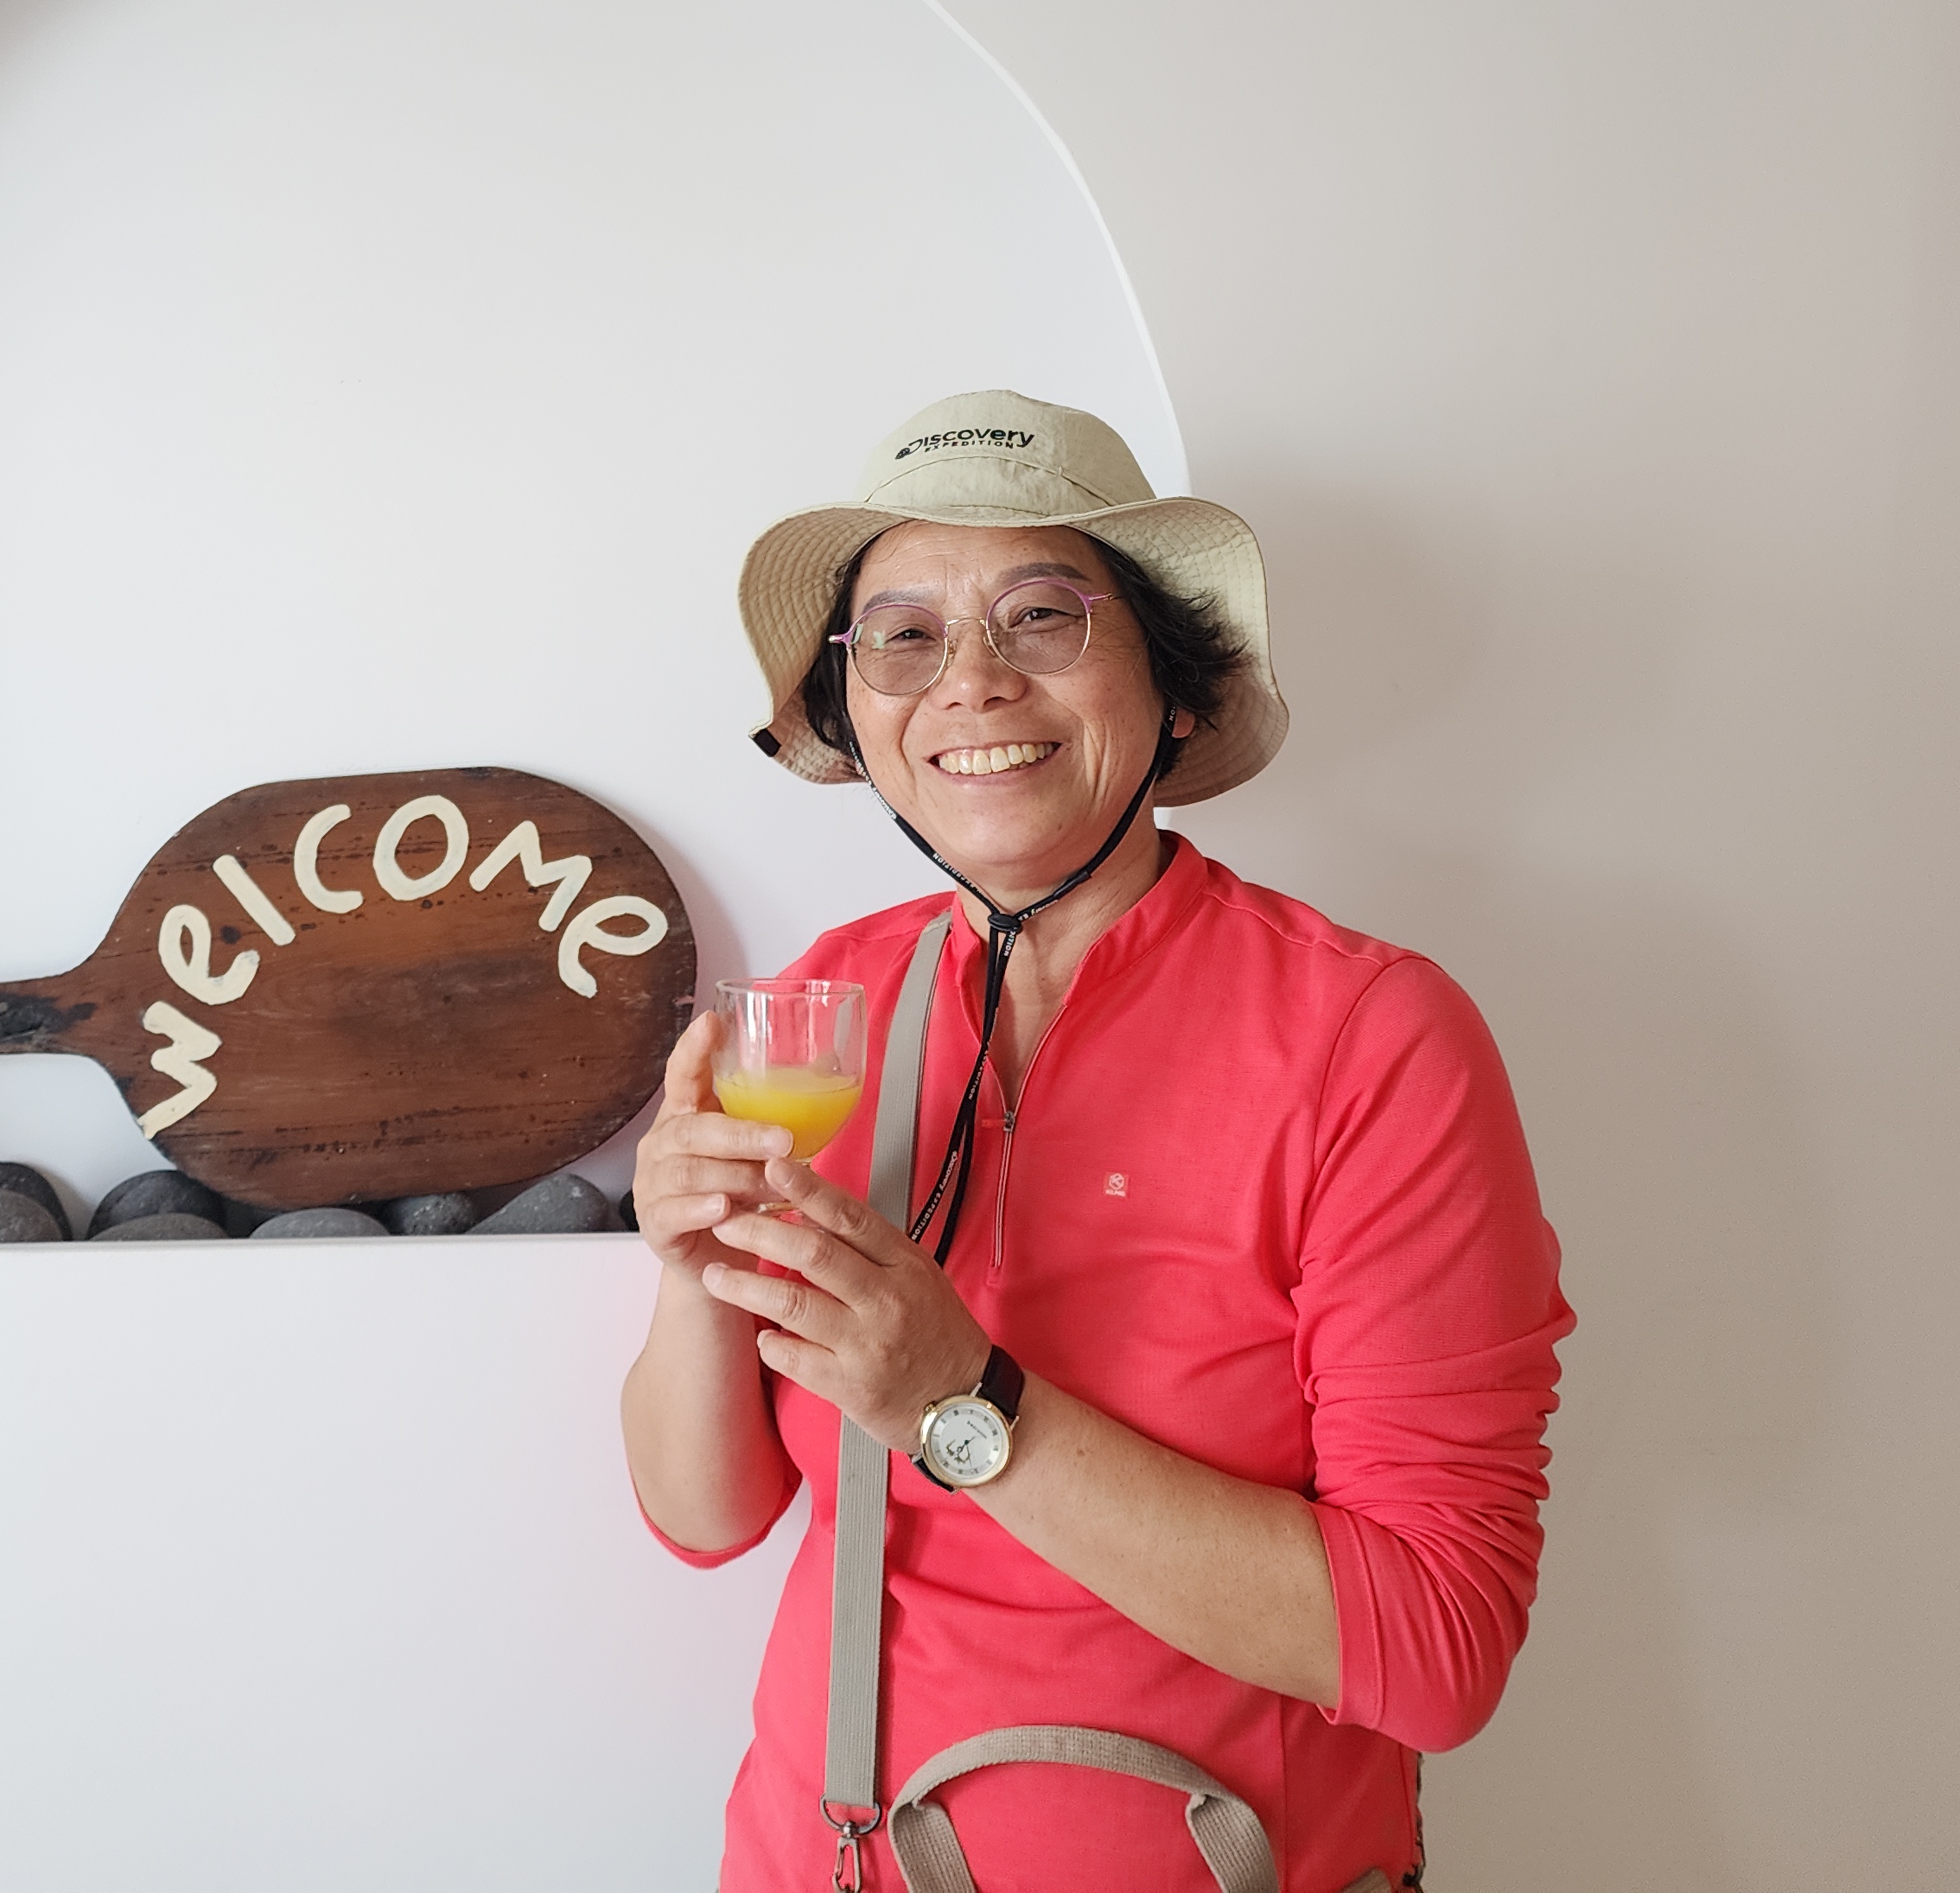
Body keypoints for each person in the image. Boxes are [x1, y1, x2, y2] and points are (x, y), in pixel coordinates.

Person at [622, 390, 1570, 1892]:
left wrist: (960, 1400)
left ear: (1175, 690)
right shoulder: (817, 1014)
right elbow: (706, 1517)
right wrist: (688, 1273)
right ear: (855, 713)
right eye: (903, 636)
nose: (971, 681)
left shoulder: (1369, 1036)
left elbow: (1438, 1651)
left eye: (1042, 615)